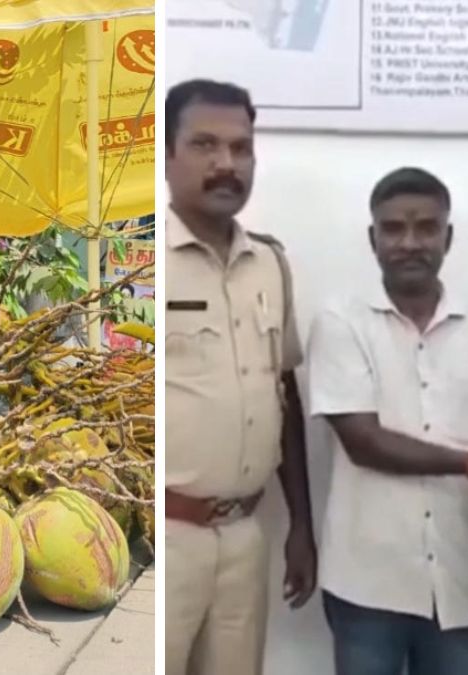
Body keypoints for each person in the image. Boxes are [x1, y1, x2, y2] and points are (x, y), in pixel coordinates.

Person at [306, 167, 468, 675]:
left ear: (447, 237)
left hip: (462, 581)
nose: (410, 243)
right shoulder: (341, 322)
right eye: (393, 229)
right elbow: (363, 442)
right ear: (373, 238)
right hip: (367, 583)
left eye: (426, 228)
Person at [164, 78, 317, 675]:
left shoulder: (271, 264)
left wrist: (301, 524)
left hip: (244, 537)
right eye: (204, 145)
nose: (226, 163)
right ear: (168, 156)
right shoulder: (146, 264)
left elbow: (285, 397)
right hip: (169, 536)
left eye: (241, 147)